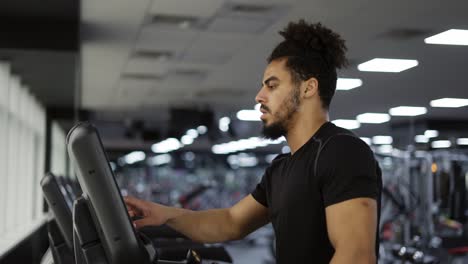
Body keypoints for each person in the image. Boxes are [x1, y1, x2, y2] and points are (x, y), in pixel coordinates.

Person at [125, 19, 382, 264]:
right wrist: (163, 214)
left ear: (308, 88)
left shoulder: (341, 151)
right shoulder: (281, 168)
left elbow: (356, 256)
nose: (259, 96)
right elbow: (230, 221)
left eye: (272, 86)